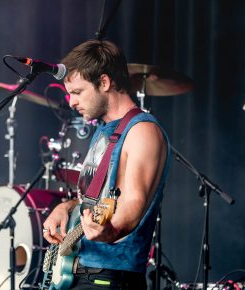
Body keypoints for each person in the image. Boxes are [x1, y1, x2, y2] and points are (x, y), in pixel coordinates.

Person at [42, 39, 170, 290]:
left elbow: (133, 202)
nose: (71, 102)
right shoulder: (103, 132)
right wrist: (66, 207)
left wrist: (111, 230)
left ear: (104, 82)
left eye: (77, 92)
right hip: (80, 273)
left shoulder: (142, 131)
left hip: (109, 278)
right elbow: (95, 201)